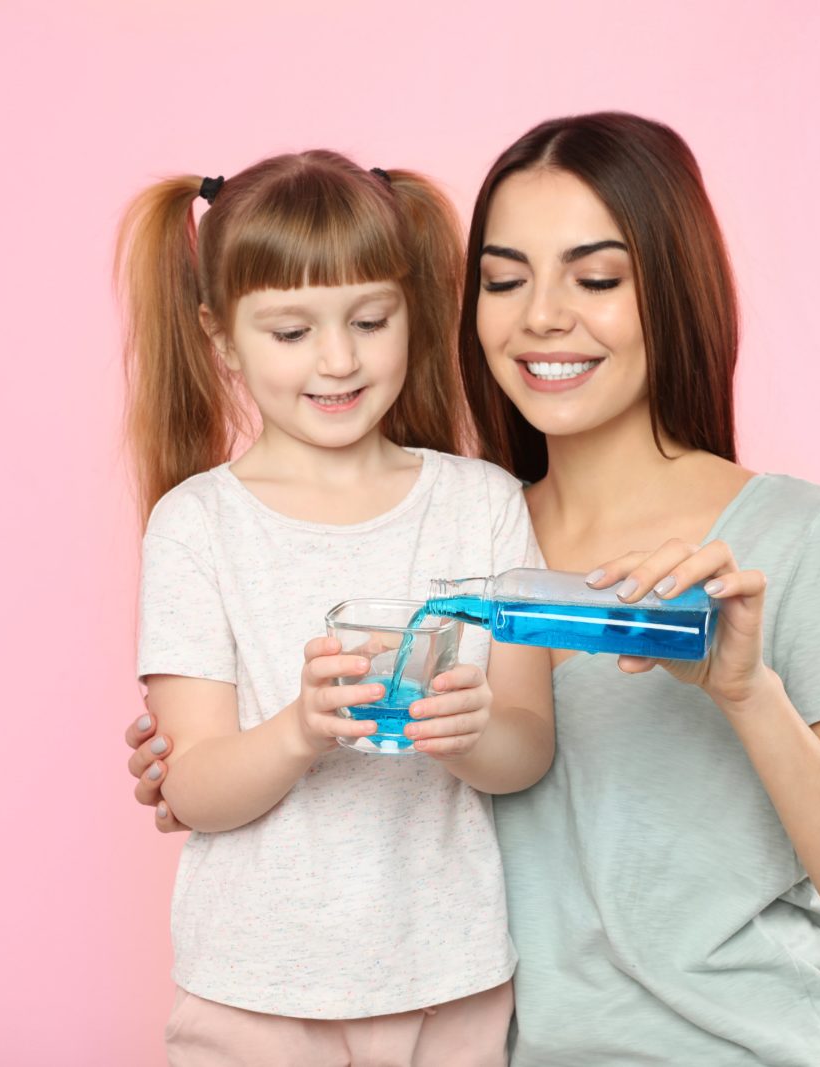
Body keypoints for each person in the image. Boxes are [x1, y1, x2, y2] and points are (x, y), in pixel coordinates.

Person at [128, 114, 820, 1065]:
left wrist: (747, 693)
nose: (542, 316)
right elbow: (241, 747)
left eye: (597, 278)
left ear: (674, 291)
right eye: (505, 280)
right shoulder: (455, 533)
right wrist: (228, 749)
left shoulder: (795, 537)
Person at [117, 149, 553, 1067]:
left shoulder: (480, 503)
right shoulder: (195, 525)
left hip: (454, 981)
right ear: (221, 335)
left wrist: (470, 731)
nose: (340, 359)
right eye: (291, 332)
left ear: (411, 311)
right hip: (254, 992)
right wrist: (300, 729)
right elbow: (191, 785)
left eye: (370, 318)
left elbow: (527, 751)